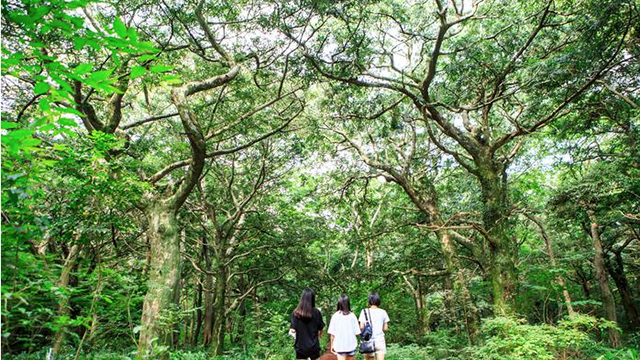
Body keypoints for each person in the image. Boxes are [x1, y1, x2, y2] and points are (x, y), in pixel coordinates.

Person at [290, 288, 325, 360]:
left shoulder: (296, 313)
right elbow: (321, 329)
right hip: (314, 347)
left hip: (300, 347)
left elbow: (292, 330)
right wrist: (318, 337)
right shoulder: (316, 312)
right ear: (312, 299)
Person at [328, 294, 361, 360]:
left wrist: (332, 345)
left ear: (339, 303)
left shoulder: (335, 316)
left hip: (340, 346)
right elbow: (357, 333)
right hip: (351, 345)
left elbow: (332, 334)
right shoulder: (352, 316)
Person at [359, 293, 390, 360]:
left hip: (368, 341)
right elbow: (385, 328)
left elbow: (361, 327)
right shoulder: (383, 312)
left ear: (369, 301)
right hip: (380, 340)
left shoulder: (364, 311)